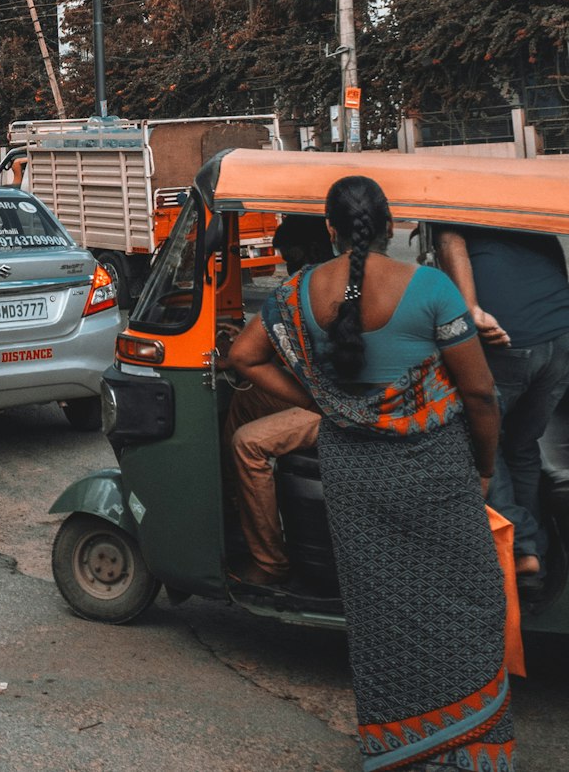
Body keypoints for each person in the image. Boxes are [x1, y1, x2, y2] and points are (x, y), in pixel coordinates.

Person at [223, 176, 514, 772]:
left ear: (330, 230)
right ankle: (467, 749)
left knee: (383, 612)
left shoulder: (298, 292)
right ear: (389, 227)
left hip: (354, 473)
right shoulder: (430, 287)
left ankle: (403, 749)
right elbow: (480, 394)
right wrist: (483, 467)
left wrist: (320, 401)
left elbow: (242, 356)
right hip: (435, 472)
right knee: (472, 602)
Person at [435, 224, 569, 592]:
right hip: (560, 334)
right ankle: (534, 562)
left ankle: (523, 546)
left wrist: (471, 308)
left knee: (482, 441)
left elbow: (450, 241)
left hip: (508, 337)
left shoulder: (453, 206)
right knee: (522, 446)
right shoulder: (512, 205)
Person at [221, 215, 333, 587]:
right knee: (249, 399)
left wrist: (236, 349)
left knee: (247, 445)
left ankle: (270, 562)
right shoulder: (324, 280)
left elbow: (246, 357)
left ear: (307, 251)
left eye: (289, 255)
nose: (286, 263)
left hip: (338, 407)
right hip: (327, 393)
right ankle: (243, 505)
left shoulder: (306, 287)